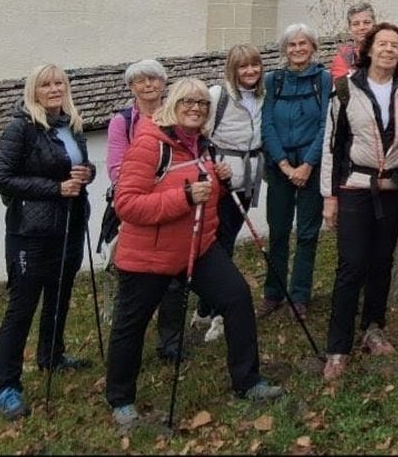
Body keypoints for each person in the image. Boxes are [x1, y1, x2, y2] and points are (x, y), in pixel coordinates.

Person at [106, 78, 282, 429]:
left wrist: (219, 179)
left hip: (197, 247)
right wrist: (185, 197)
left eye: (202, 103)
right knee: (131, 324)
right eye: (188, 101)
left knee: (236, 297)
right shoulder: (149, 144)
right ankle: (121, 400)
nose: (196, 107)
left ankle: (247, 381)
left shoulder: (201, 144)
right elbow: (127, 204)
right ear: (173, 104)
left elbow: (205, 196)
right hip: (149, 256)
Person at [320, 23, 398, 381]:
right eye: (382, 44)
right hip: (355, 185)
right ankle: (338, 346)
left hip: (395, 186)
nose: (388, 50)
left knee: (382, 261)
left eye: (394, 45)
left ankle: (373, 328)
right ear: (369, 49)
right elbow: (333, 146)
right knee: (351, 265)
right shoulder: (345, 89)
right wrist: (330, 196)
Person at [0, 65, 95, 421]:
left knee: (60, 293)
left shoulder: (71, 124)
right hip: (29, 231)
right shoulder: (20, 126)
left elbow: (78, 165)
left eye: (59, 83)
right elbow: (1, 179)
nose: (54, 89)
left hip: (69, 223)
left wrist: (87, 173)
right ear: (34, 90)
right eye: (46, 84)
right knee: (22, 306)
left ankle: (52, 356)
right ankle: (6, 386)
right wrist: (56, 189)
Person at [105, 59, 185, 361]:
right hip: (137, 207)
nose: (148, 85)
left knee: (175, 278)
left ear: (164, 84)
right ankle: (128, 344)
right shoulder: (122, 122)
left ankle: (171, 342)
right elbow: (116, 167)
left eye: (154, 79)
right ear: (131, 87)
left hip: (174, 205)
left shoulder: (176, 116)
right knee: (137, 279)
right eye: (141, 81)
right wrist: (139, 197)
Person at [191, 44, 267, 343]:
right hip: (219, 182)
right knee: (216, 243)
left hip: (247, 181)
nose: (250, 71)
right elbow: (199, 136)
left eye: (254, 65)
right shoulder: (217, 96)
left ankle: (208, 307)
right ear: (232, 70)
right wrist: (212, 168)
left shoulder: (262, 96)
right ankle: (214, 309)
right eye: (243, 67)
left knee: (226, 241)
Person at [260, 24, 332, 319]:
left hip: (310, 167)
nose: (298, 49)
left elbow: (326, 125)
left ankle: (299, 296)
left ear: (313, 47)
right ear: (284, 50)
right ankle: (272, 293)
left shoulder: (324, 80)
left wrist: (307, 164)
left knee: (306, 233)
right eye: (292, 45)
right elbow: (267, 125)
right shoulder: (273, 81)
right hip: (280, 168)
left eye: (304, 43)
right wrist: (284, 164)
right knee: (277, 231)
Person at [330, 3, 376, 84]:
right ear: (350, 28)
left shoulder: (385, 52)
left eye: (366, 22)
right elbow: (342, 90)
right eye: (356, 24)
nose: (362, 27)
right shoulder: (343, 58)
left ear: (374, 25)